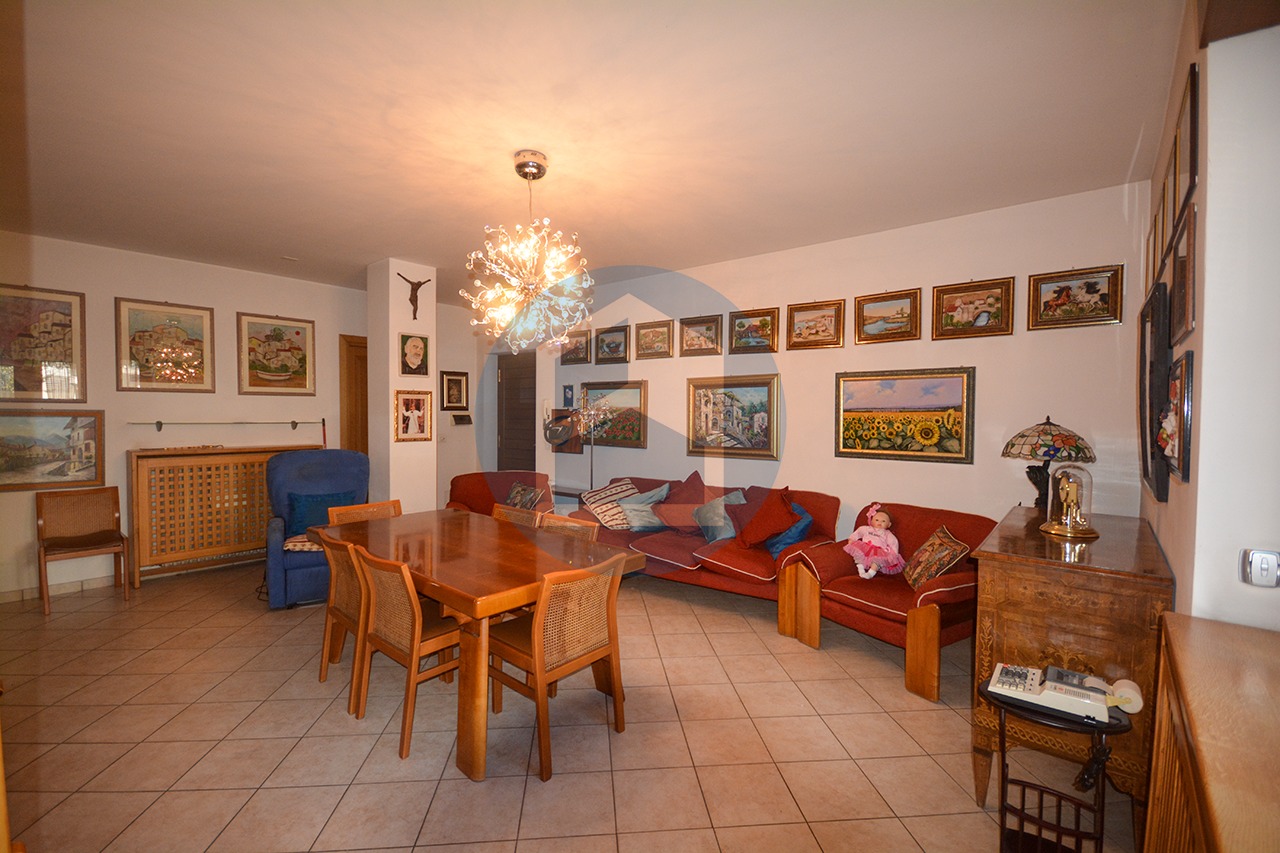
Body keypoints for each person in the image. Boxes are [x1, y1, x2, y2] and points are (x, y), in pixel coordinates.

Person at [843, 503, 906, 579]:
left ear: (889, 524)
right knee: (859, 556)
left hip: (878, 551)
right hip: (865, 547)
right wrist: (852, 539)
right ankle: (861, 570)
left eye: (883, 521)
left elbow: (893, 543)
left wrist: (894, 554)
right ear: (871, 521)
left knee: (877, 561)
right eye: (877, 520)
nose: (879, 522)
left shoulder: (887, 534)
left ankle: (870, 573)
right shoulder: (866, 529)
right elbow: (858, 532)